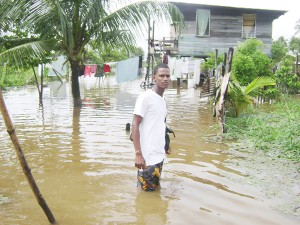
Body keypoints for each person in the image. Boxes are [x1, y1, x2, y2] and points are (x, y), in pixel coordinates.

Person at [131, 63, 170, 191]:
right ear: (154, 77)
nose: (165, 79)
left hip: (159, 155)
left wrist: (166, 144)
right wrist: (138, 154)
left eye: (167, 76)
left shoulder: (162, 100)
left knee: (155, 192)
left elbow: (160, 124)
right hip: (147, 159)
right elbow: (135, 123)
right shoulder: (145, 97)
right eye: (161, 76)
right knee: (145, 198)